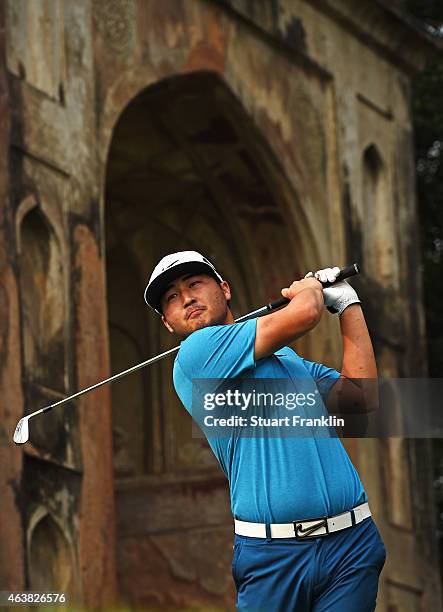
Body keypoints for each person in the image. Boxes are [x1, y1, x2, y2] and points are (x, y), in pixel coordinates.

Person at [144, 250, 386, 612]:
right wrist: (309, 289)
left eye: (194, 284)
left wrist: (349, 305)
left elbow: (359, 400)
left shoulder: (286, 359)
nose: (187, 298)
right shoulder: (196, 354)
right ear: (167, 323)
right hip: (274, 558)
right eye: (172, 298)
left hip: (351, 547)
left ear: (224, 289)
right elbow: (305, 313)